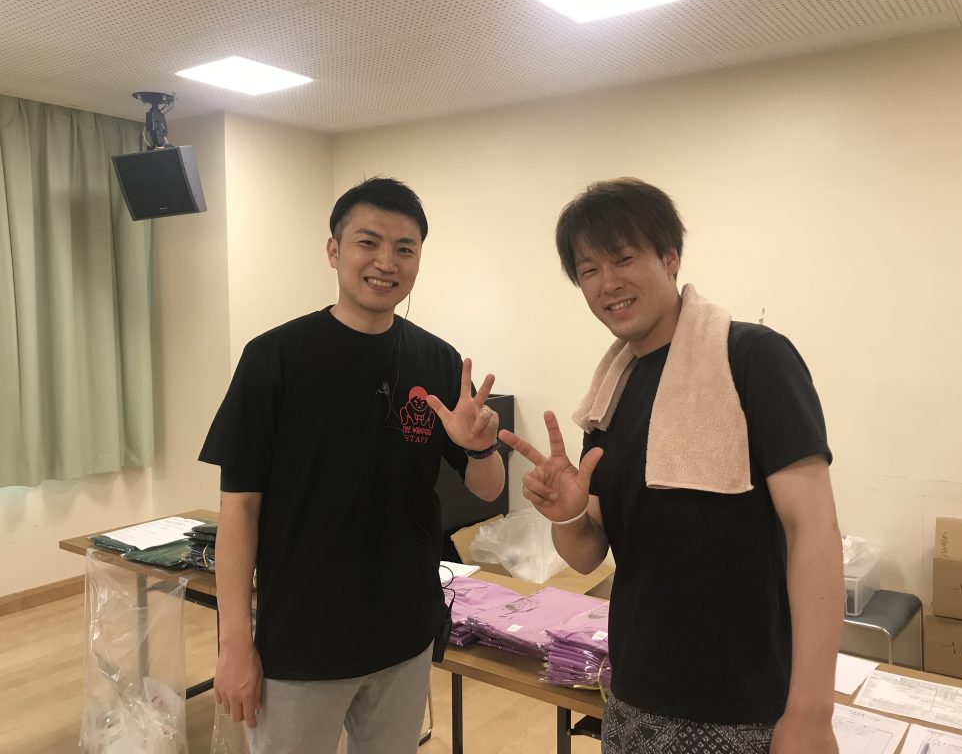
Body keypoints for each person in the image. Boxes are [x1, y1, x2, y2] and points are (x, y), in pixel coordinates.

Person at [499, 178, 844, 754]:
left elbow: (814, 529)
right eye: (588, 270)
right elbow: (588, 555)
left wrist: (811, 712)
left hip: (744, 707)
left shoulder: (753, 358)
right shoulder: (610, 395)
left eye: (623, 258)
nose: (607, 283)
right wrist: (568, 515)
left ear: (670, 257)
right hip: (633, 695)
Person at [199, 177, 505, 754]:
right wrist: (234, 643)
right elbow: (239, 509)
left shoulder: (437, 359)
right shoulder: (274, 358)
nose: (386, 262)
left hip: (405, 636)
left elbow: (488, 490)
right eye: (368, 242)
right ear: (334, 251)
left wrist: (481, 448)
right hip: (302, 642)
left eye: (405, 248)